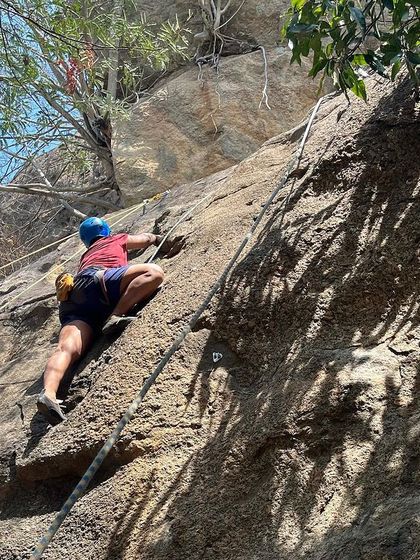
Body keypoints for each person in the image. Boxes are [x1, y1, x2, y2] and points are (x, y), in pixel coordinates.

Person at [37, 217, 167, 425]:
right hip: (98, 281)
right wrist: (156, 237)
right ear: (105, 230)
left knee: (66, 349)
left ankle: (49, 394)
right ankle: (116, 315)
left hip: (74, 296)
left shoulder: (86, 254)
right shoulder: (116, 239)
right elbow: (143, 239)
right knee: (154, 272)